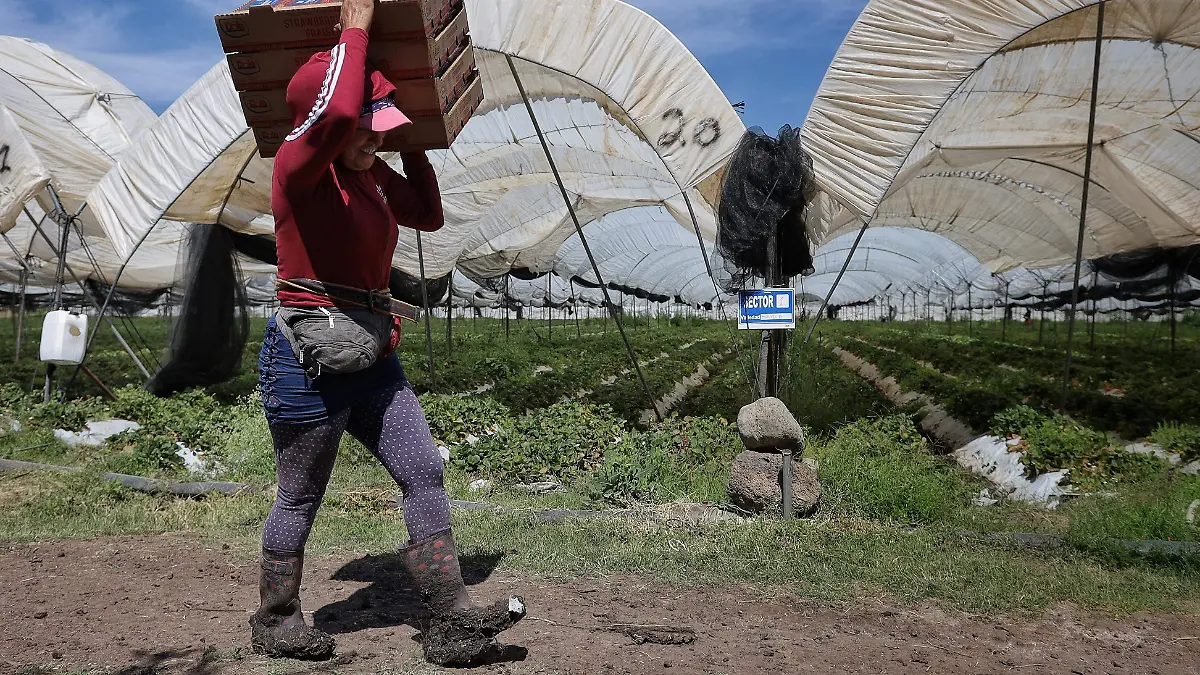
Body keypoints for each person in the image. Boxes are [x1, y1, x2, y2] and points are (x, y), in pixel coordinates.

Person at [250, 0, 524, 665]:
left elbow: (427, 212)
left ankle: (451, 619)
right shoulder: (298, 168)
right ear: (329, 121)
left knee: (423, 468)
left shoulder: (369, 175)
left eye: (381, 130)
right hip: (309, 359)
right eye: (366, 129)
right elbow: (334, 115)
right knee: (300, 493)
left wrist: (411, 139)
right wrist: (355, 27)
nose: (374, 140)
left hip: (370, 350)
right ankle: (276, 618)